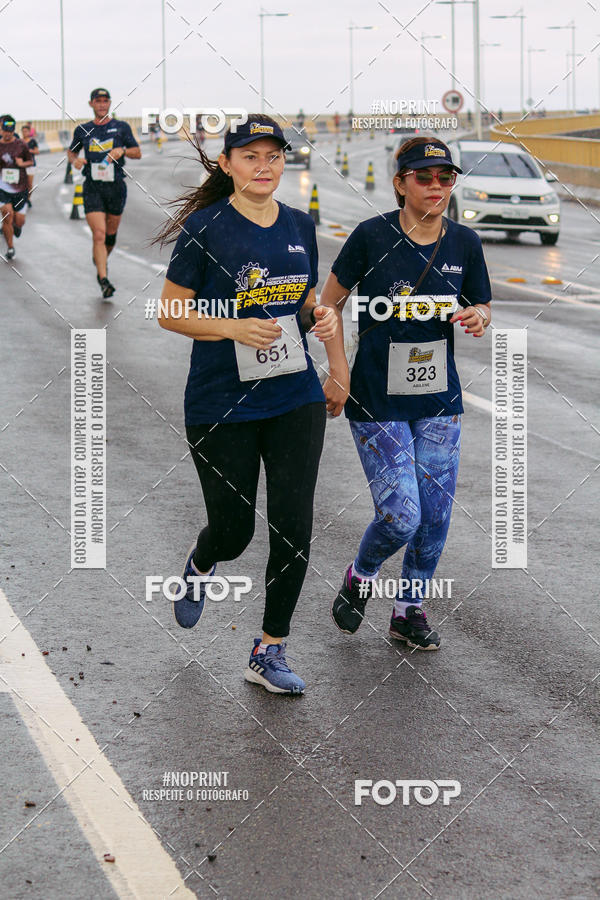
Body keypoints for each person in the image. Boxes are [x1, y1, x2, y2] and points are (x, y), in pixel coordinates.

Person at [156, 114, 337, 694]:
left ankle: (269, 649)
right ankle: (202, 561)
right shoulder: (205, 228)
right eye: (251, 156)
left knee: (294, 525)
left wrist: (320, 317)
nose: (264, 166)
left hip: (294, 395)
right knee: (234, 532)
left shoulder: (300, 224)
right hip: (221, 403)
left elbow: (302, 300)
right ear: (227, 164)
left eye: (273, 156)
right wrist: (233, 327)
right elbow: (170, 312)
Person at [320, 136, 492, 650]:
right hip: (376, 397)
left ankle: (408, 610)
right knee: (401, 516)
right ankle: (361, 574)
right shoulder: (371, 237)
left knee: (435, 516)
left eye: (446, 177)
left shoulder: (465, 243)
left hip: (439, 399)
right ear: (400, 183)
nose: (436, 186)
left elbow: (482, 304)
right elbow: (328, 306)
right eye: (424, 177)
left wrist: (478, 316)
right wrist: (338, 369)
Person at [67, 88, 141, 298]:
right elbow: (71, 152)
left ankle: (101, 259)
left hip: (116, 186)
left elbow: (137, 152)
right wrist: (75, 161)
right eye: (97, 101)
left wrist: (123, 150)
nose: (101, 104)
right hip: (92, 187)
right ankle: (103, 279)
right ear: (91, 104)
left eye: (105, 101)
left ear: (109, 103)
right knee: (98, 234)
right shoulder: (83, 130)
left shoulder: (121, 127)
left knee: (110, 235)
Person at [0, 114, 32, 260]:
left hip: (20, 188)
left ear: (14, 130)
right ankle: (10, 247)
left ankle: (17, 226)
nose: (8, 133)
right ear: (1, 130)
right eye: (5, 130)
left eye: (10, 131)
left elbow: (30, 162)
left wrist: (21, 164)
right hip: (3, 188)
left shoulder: (21, 145)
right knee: (7, 216)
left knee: (19, 220)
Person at [21, 124, 39, 207]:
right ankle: (22, 199)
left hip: (31, 165)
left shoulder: (33, 141)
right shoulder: (20, 141)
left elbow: (37, 151)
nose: (24, 133)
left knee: (29, 185)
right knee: (21, 184)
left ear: (29, 132)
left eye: (26, 131)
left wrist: (30, 151)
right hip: (21, 165)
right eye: (23, 131)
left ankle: (28, 198)